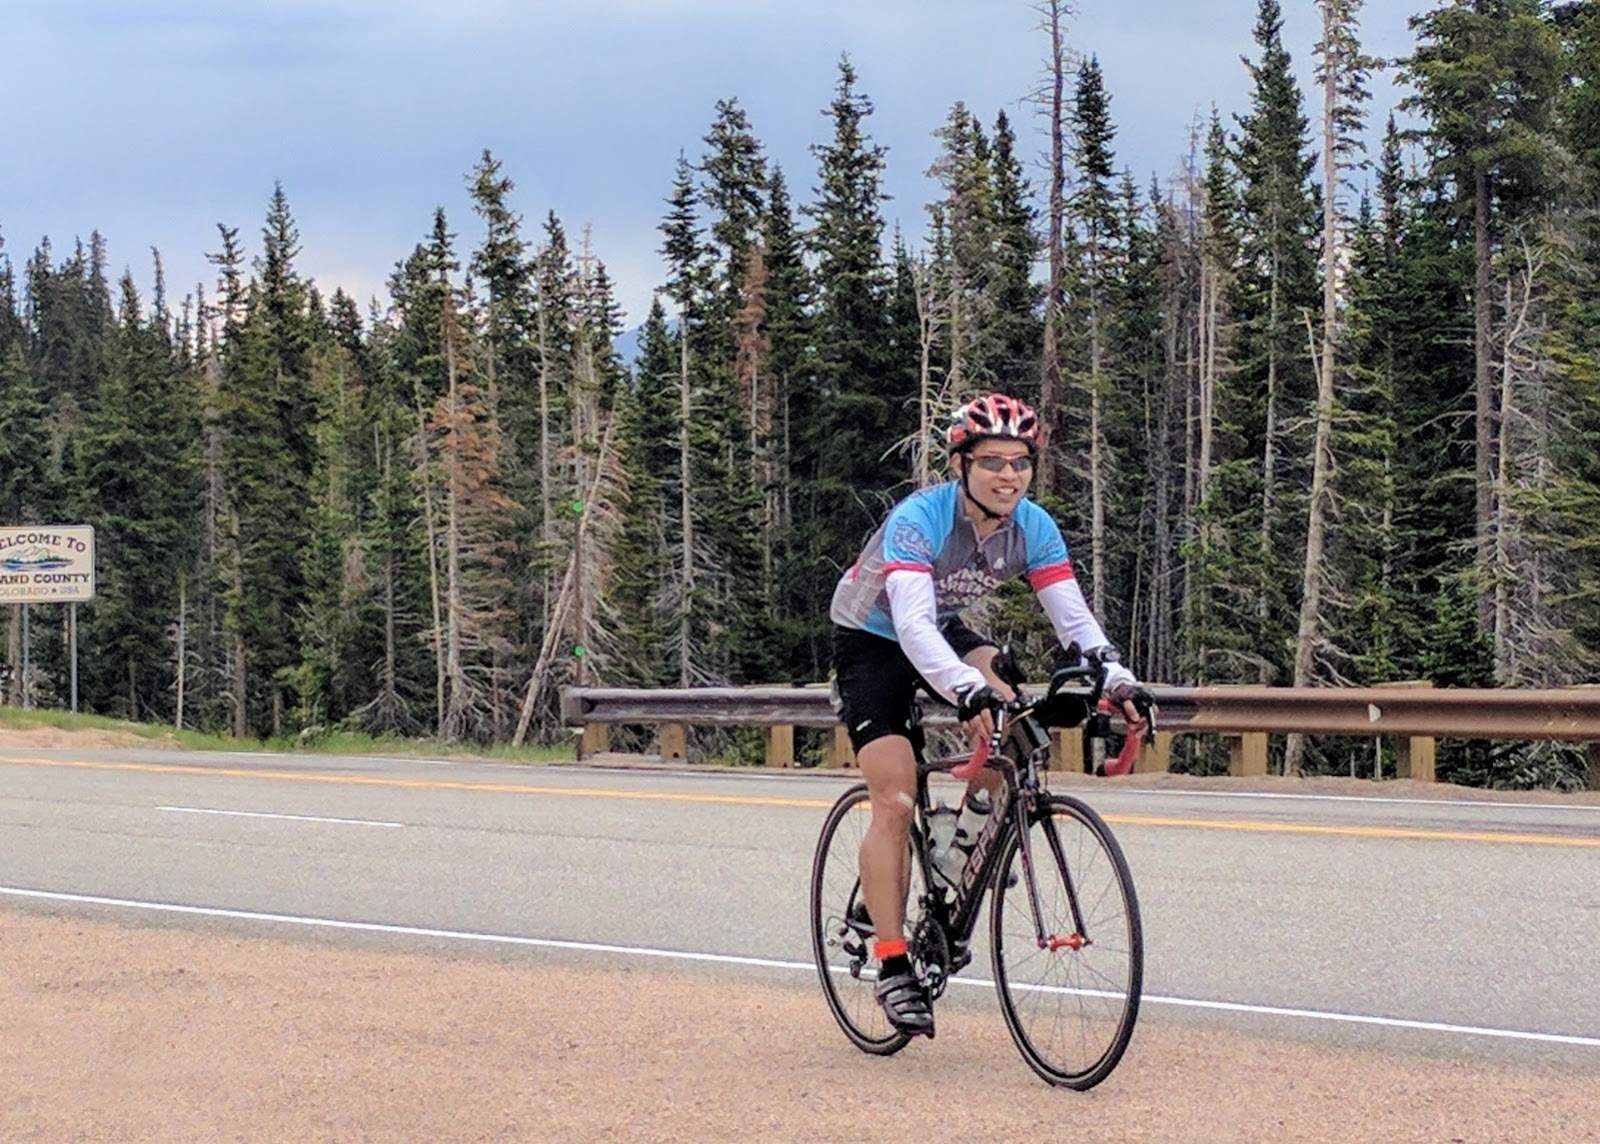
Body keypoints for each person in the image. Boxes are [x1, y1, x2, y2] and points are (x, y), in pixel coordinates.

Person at [828, 392, 1152, 1038]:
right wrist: (961, 688)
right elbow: (913, 629)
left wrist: (1117, 677)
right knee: (894, 795)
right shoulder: (919, 520)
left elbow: (1074, 620)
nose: (1009, 475)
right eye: (993, 461)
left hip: (939, 629)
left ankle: (956, 847)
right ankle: (893, 965)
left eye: (1021, 462)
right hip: (872, 636)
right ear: (962, 466)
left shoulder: (1033, 527)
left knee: (1017, 717)